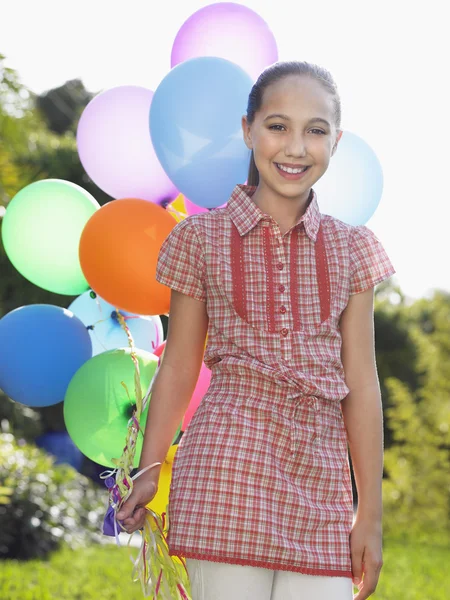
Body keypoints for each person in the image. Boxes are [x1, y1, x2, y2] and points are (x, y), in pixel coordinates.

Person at [116, 61, 395, 600]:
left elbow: (362, 384)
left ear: (335, 141)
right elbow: (180, 363)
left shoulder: (354, 250)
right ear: (248, 130)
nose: (295, 147)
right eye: (277, 126)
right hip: (228, 467)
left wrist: (370, 514)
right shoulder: (200, 238)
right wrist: (150, 467)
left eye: (315, 130)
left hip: (321, 482)